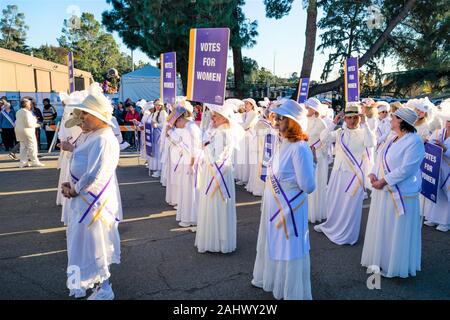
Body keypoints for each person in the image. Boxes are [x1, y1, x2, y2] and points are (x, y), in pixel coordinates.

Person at [252, 99, 315, 300]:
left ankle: (291, 290)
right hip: (275, 205)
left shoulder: (300, 148)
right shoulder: (283, 143)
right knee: (275, 243)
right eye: (276, 117)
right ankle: (275, 281)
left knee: (290, 247)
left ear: (293, 121)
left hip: (291, 207)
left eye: (281, 118)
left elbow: (308, 186)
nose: (276, 121)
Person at [61, 89, 122, 300]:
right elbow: (82, 166)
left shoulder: (103, 139)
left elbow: (95, 173)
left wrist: (74, 189)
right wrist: (72, 182)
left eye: (85, 113)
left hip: (93, 201)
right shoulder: (92, 135)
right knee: (78, 242)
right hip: (83, 198)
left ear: (96, 115)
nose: (82, 118)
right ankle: (80, 284)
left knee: (97, 244)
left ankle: (105, 288)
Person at [361, 107, 425, 278]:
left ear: (401, 121)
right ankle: (381, 259)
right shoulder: (392, 137)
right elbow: (380, 156)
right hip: (384, 191)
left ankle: (395, 264)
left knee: (396, 229)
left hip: (400, 193)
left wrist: (383, 181)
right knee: (384, 226)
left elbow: (407, 169)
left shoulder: (414, 141)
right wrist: (374, 173)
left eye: (393, 118)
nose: (390, 120)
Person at [314, 103, 376, 245]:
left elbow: (371, 143)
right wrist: (333, 122)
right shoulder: (339, 133)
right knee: (335, 202)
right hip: (338, 173)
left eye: (355, 118)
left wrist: (365, 124)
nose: (352, 121)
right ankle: (330, 227)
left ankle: (347, 235)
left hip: (354, 176)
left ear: (360, 118)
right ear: (345, 119)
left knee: (350, 207)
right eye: (349, 118)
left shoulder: (364, 133)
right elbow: (323, 138)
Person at [195, 102, 244, 253]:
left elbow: (215, 157)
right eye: (212, 114)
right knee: (216, 203)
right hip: (217, 171)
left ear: (224, 118)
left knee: (216, 202)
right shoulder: (218, 131)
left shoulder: (223, 133)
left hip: (218, 171)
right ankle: (217, 238)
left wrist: (205, 145)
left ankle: (216, 240)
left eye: (216, 115)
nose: (212, 117)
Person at [167, 104, 202, 227]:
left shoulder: (192, 128)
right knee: (186, 191)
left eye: (176, 124)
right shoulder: (187, 127)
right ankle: (187, 217)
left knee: (192, 192)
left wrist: (192, 164)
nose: (177, 126)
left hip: (192, 163)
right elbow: (181, 143)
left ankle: (194, 219)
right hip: (186, 161)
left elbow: (195, 149)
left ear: (180, 119)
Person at [423, 112, 450, 232]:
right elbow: (430, 145)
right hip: (437, 168)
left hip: (448, 169)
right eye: (448, 121)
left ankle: (446, 222)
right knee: (436, 192)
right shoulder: (439, 132)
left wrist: (445, 149)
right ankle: (434, 217)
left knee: (448, 195)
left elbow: (445, 151)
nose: (449, 124)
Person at [304, 98, 328, 223]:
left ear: (314, 109)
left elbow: (324, 140)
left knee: (316, 183)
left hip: (317, 157)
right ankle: (306, 212)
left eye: (308, 107)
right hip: (305, 155)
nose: (306, 109)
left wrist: (313, 147)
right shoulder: (303, 120)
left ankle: (315, 213)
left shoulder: (321, 123)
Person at [14, 99, 44, 168]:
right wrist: (37, 124)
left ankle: (23, 162)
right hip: (27, 132)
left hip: (19, 131)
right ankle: (35, 162)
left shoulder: (18, 111)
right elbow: (29, 124)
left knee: (23, 147)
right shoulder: (27, 112)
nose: (31, 105)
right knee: (32, 147)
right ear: (27, 104)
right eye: (30, 104)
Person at [149, 100, 167, 178]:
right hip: (155, 133)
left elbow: (164, 124)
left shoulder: (163, 113)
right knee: (156, 152)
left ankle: (160, 170)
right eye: (156, 105)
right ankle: (157, 169)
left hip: (160, 134)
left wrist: (157, 125)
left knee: (159, 152)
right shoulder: (156, 112)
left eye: (159, 105)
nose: (158, 106)